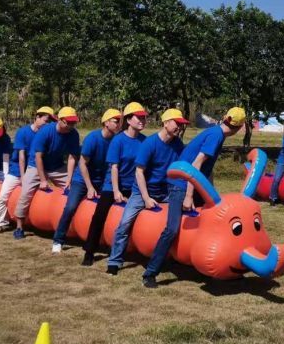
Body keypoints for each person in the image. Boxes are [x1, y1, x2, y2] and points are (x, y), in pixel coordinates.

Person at [142, 107, 245, 288]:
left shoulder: (216, 133)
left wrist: (207, 191)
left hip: (192, 184)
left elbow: (205, 169)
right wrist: (189, 196)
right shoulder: (216, 136)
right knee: (172, 229)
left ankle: (219, 265)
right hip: (180, 185)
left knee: (210, 221)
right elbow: (195, 165)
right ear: (239, 127)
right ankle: (150, 273)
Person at [106, 108, 188, 275]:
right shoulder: (150, 144)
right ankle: (114, 261)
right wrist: (146, 198)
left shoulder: (178, 145)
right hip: (142, 191)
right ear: (165, 123)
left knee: (184, 216)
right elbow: (139, 172)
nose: (179, 127)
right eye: (177, 124)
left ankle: (176, 255)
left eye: (181, 124)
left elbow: (183, 169)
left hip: (166, 190)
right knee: (124, 223)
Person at [83, 102, 147, 266]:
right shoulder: (118, 140)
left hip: (134, 186)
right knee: (99, 215)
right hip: (113, 185)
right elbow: (114, 167)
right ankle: (89, 251)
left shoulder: (144, 141)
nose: (142, 121)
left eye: (144, 118)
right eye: (139, 118)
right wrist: (116, 191)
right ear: (129, 120)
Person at [51, 108, 122, 253]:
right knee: (70, 207)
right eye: (116, 121)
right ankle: (58, 240)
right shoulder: (93, 138)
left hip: (103, 180)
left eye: (120, 121)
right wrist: (89, 187)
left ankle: (103, 239)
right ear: (106, 123)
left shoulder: (116, 140)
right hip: (82, 179)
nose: (118, 124)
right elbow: (82, 163)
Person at [13, 107, 80, 240]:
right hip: (36, 165)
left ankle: (72, 222)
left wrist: (69, 179)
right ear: (60, 120)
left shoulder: (73, 134)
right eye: (69, 122)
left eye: (74, 123)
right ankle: (19, 227)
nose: (71, 126)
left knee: (75, 186)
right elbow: (38, 157)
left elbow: (72, 157)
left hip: (56, 166)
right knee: (26, 192)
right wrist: (43, 180)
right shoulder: (45, 132)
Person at [0, 107, 55, 233]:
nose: (47, 124)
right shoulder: (23, 132)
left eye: (49, 122)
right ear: (37, 117)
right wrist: (23, 176)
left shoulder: (47, 134)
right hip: (17, 171)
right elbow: (21, 156)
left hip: (37, 169)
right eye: (46, 120)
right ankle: (0, 223)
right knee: (3, 197)